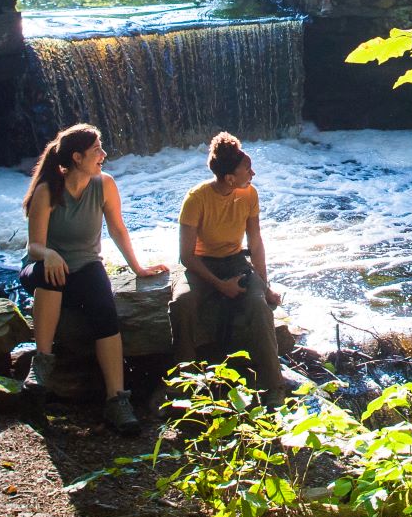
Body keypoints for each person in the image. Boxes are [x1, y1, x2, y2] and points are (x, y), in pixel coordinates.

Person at [19, 123, 166, 435]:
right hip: (43, 267)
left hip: (85, 267)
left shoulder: (105, 184)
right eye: (97, 149)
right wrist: (49, 254)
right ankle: (41, 367)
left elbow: (117, 229)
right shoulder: (48, 189)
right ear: (76, 157)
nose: (104, 154)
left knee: (104, 307)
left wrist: (138, 268)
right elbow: (33, 246)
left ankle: (116, 401)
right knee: (51, 276)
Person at [175, 132, 288, 406]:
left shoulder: (249, 194)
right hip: (202, 264)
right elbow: (186, 257)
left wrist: (265, 284)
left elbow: (256, 242)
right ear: (229, 179)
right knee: (181, 303)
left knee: (260, 306)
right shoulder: (196, 200)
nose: (253, 173)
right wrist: (220, 285)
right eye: (247, 170)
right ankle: (185, 383)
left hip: (236, 260)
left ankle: (274, 386)